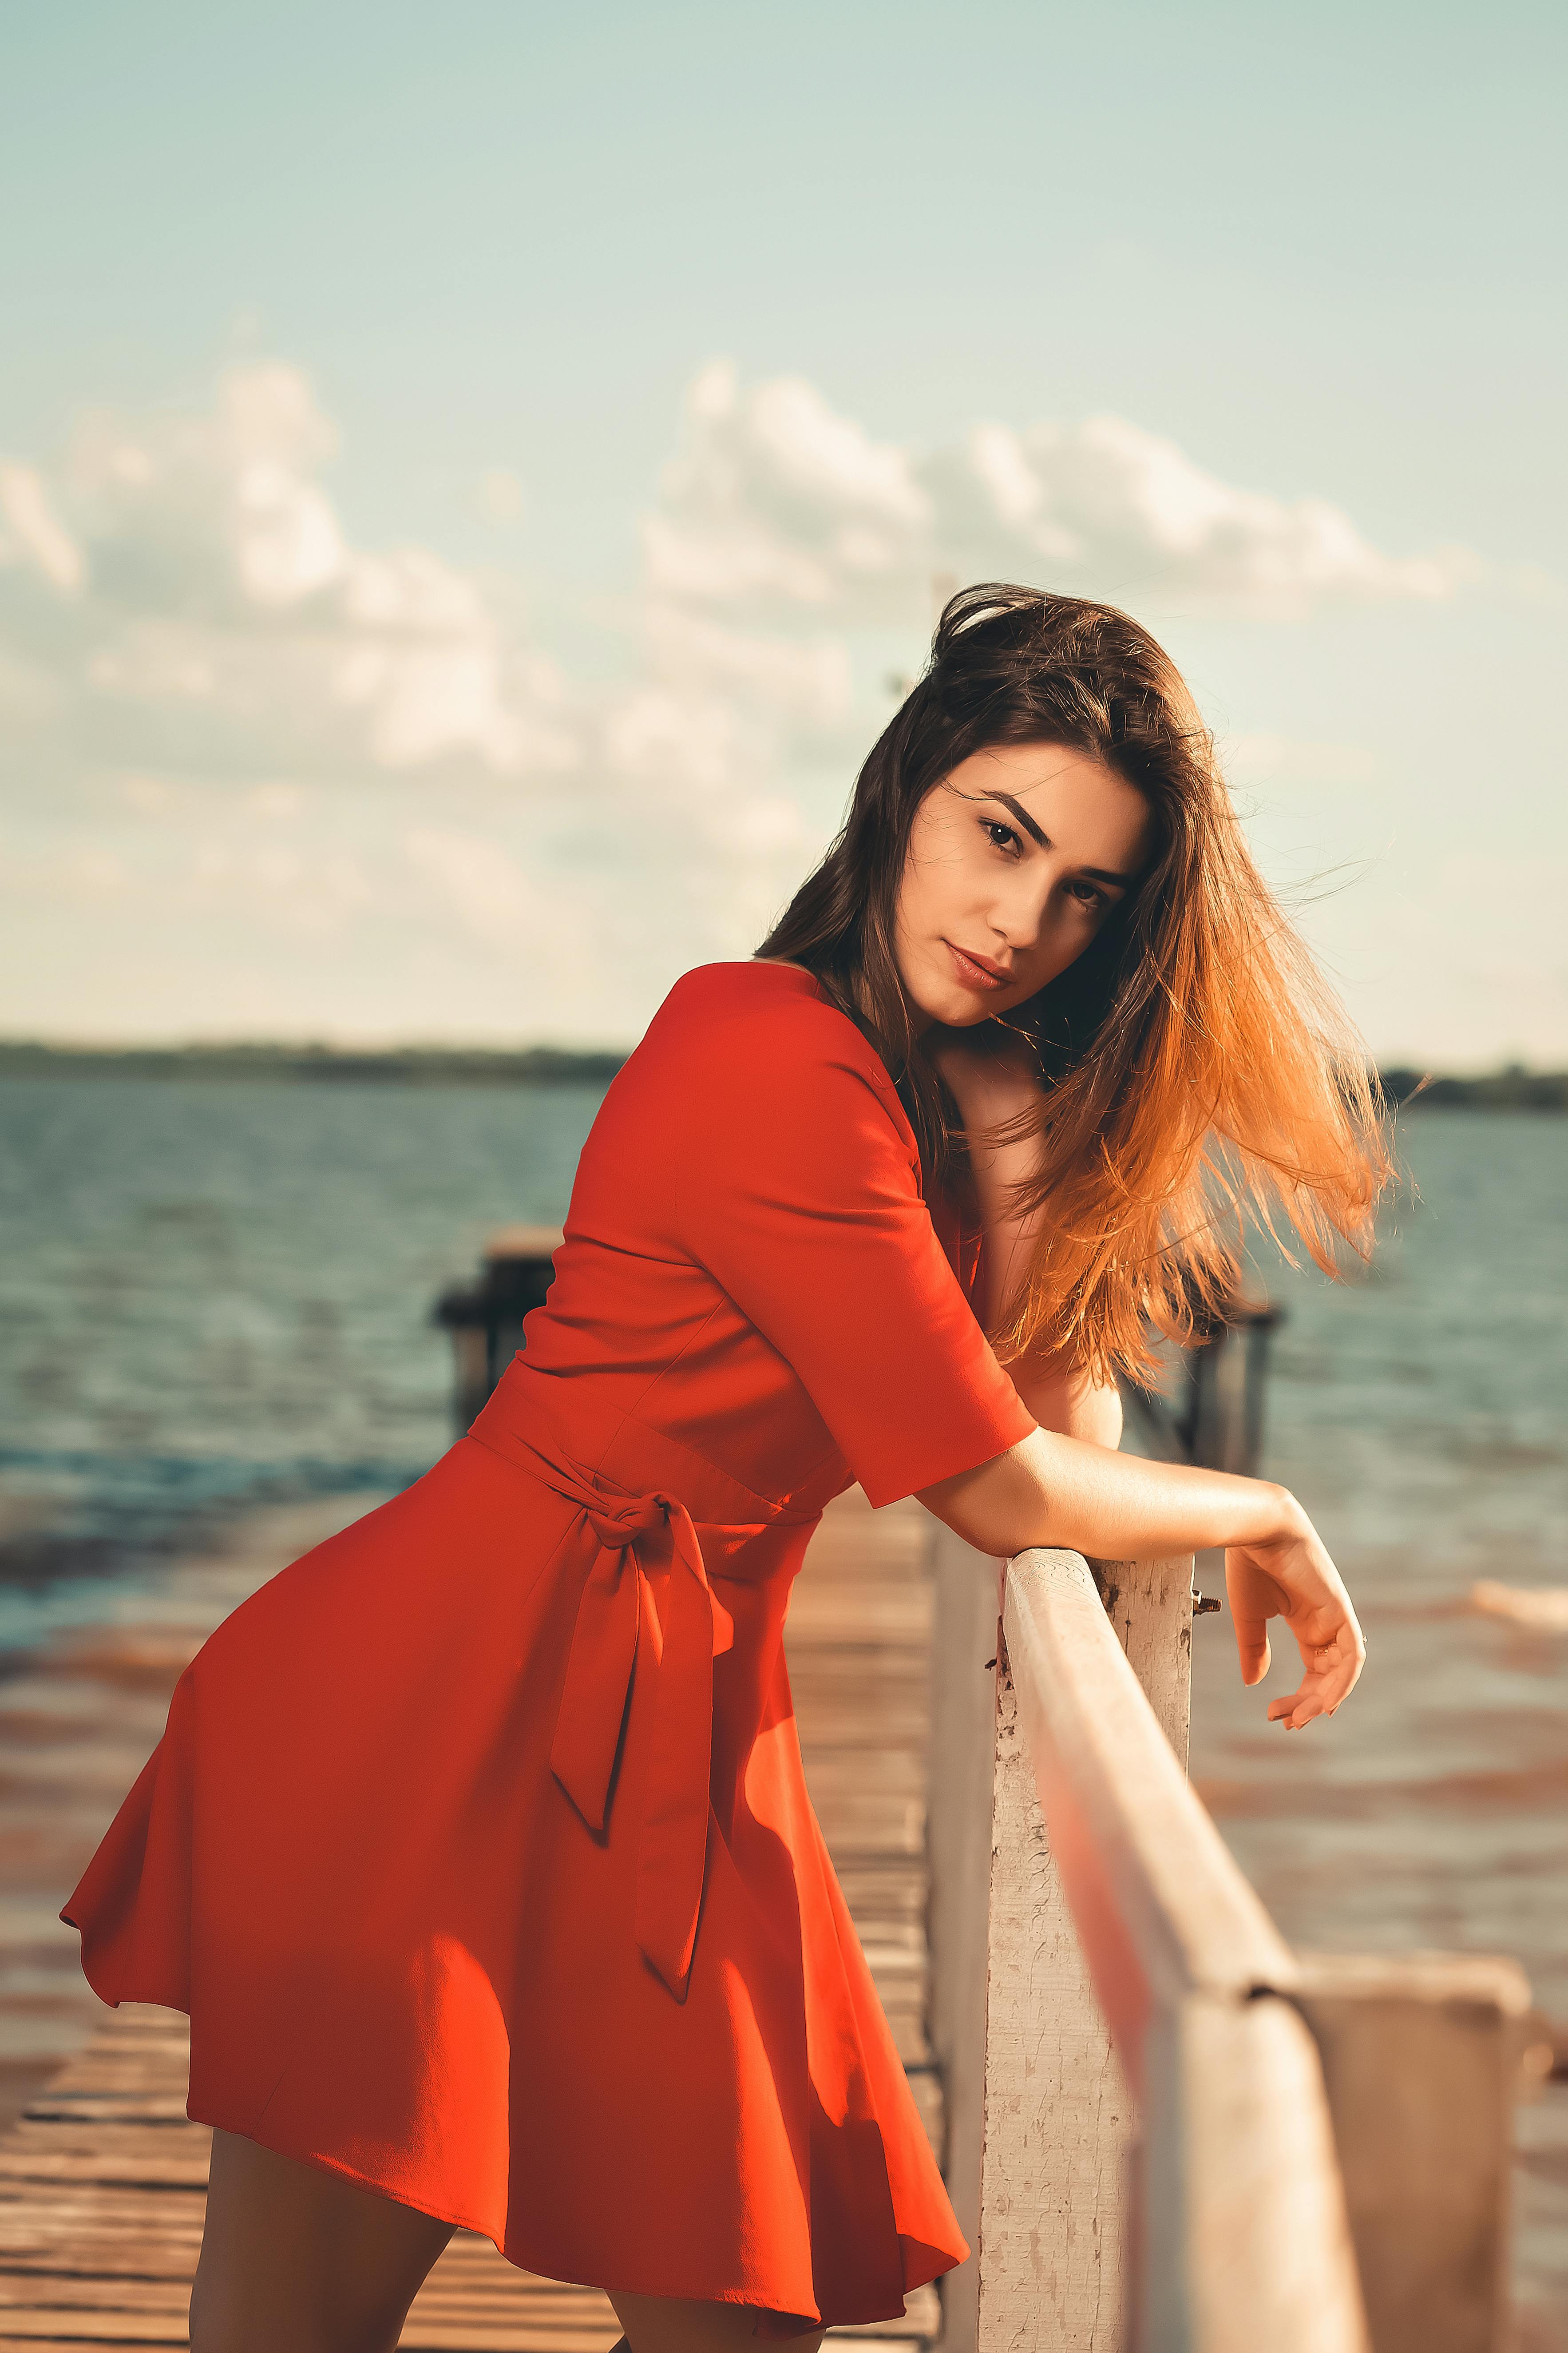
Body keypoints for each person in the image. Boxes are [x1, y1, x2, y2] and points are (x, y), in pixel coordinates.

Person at [63, 584, 1387, 2353]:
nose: (1022, 918)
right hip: (423, 1720)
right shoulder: (766, 1049)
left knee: (747, 2322)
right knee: (295, 2333)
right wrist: (1263, 1504)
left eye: (1086, 892)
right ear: (908, 779)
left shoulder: (927, 1101)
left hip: (677, 1745)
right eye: (1000, 835)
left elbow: (1059, 1420)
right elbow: (993, 1487)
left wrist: (1030, 1132)